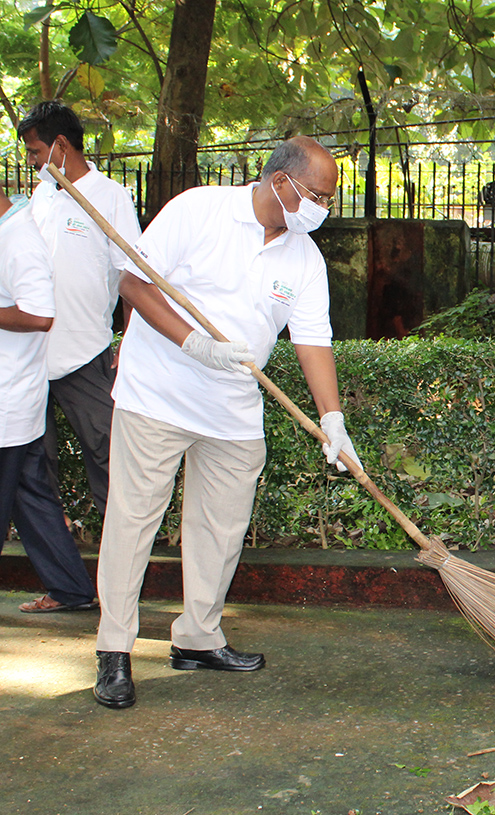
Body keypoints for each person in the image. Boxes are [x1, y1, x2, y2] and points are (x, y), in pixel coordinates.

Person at [93, 136, 361, 710]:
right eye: (317, 194)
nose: (322, 208)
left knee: (221, 529)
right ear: (281, 181)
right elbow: (134, 282)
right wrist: (193, 341)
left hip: (233, 409)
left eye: (328, 200)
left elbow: (313, 340)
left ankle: (198, 638)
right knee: (133, 521)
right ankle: (114, 649)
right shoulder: (199, 208)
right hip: (157, 394)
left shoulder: (304, 258)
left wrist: (332, 419)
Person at [17, 102, 142, 543]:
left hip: (86, 354)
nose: (31, 161)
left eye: (35, 151)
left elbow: (133, 276)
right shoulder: (41, 195)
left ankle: (120, 560)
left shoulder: (110, 197)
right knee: (35, 465)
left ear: (61, 145)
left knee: (107, 454)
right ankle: (64, 575)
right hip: (31, 356)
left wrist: (129, 343)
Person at [0, 191, 98, 614]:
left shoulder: (19, 240)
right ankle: (72, 588)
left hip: (9, 404)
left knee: (27, 495)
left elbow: (40, 316)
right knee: (32, 497)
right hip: (15, 405)